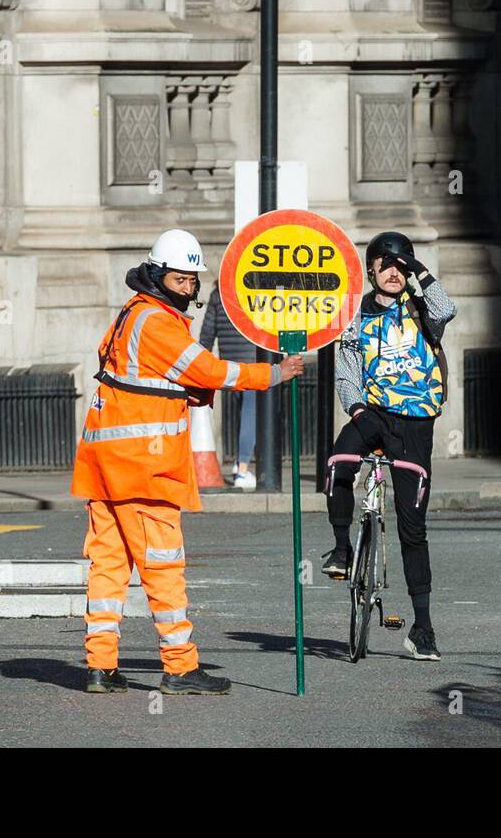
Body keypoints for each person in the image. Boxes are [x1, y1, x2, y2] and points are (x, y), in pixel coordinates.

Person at [70, 229, 304, 694]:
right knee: (163, 565)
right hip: (142, 467)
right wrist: (274, 373)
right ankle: (179, 667)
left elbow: (140, 375)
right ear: (158, 276)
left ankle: (100, 665)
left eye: (193, 280)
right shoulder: (156, 322)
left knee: (109, 566)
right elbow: (210, 370)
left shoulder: (132, 314)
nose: (190, 288)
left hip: (105, 463)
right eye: (182, 280)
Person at [320, 231, 456, 661]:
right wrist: (356, 410)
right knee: (340, 460)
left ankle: (424, 630)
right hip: (372, 413)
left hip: (416, 424)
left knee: (413, 530)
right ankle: (342, 549)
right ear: (371, 270)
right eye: (386, 264)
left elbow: (447, 307)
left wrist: (417, 268)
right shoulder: (354, 317)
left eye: (402, 265)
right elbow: (345, 374)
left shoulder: (420, 309)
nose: (395, 272)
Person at [198, 286, 259, 489]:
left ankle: (239, 465)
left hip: (229, 365)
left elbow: (207, 332)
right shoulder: (255, 289)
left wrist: (201, 361)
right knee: (251, 417)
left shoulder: (219, 293)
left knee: (243, 416)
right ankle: (242, 470)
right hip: (253, 363)